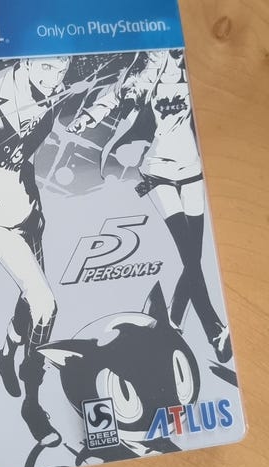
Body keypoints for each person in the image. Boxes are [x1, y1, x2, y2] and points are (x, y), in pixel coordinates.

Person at [68, 50, 232, 363]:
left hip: (193, 172)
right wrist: (87, 118)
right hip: (157, 174)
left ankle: (175, 322)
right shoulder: (147, 76)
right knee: (190, 256)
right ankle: (212, 329)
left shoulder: (196, 72)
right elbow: (115, 94)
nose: (177, 54)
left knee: (193, 258)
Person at [0, 56, 70, 446]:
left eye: (62, 70)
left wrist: (31, 197)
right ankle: (32, 405)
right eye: (48, 68)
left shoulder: (53, 95)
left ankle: (6, 353)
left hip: (25, 209)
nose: (55, 78)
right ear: (27, 61)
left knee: (30, 299)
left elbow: (27, 154)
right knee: (45, 305)